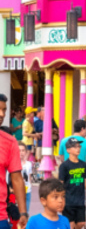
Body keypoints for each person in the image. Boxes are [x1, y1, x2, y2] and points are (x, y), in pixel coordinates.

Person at [0, 93, 28, 229]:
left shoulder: (10, 141)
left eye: (4, 110)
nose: (1, 114)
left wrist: (23, 212)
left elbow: (16, 178)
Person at [58, 139, 86, 229]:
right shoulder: (64, 166)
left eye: (79, 146)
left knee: (81, 223)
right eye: (75, 146)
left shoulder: (83, 164)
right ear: (68, 150)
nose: (78, 148)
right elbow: (60, 184)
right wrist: (60, 199)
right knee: (70, 225)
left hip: (80, 200)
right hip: (68, 200)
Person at [19, 144, 33, 214]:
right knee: (19, 212)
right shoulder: (13, 164)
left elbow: (29, 176)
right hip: (17, 191)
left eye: (23, 150)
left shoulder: (29, 164)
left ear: (26, 152)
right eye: (19, 150)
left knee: (26, 212)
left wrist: (30, 186)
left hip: (27, 190)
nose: (21, 152)